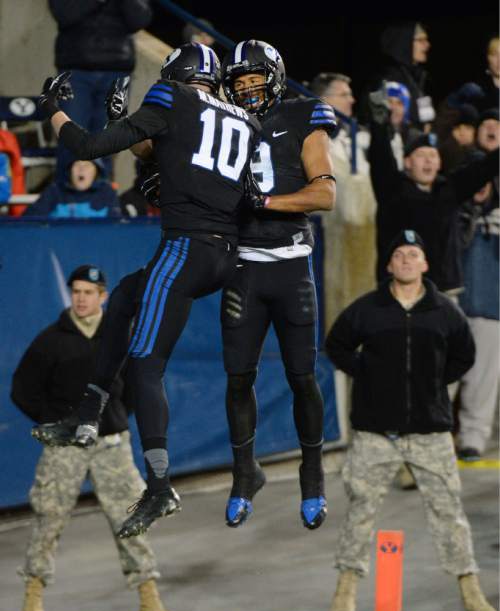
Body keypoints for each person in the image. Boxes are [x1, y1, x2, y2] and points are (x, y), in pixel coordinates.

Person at [32, 43, 261, 538]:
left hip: (185, 250)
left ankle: (159, 485)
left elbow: (90, 148)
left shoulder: (171, 97)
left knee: (145, 366)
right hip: (227, 254)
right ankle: (88, 413)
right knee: (126, 299)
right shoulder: (245, 120)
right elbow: (202, 166)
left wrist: (53, 110)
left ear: (175, 74)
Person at [324, 230, 497, 611]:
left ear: (425, 264)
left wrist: (436, 381)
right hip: (375, 432)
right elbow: (336, 345)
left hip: (430, 432)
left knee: (450, 513)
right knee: (360, 511)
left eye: (413, 254)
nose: (406, 260)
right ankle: (345, 593)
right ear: (389, 265)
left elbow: (465, 355)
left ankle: (471, 592)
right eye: (399, 255)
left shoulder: (444, 311)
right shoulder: (366, 309)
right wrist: (364, 372)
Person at [219, 40, 336, 529]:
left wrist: (262, 202)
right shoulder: (219, 121)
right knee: (238, 377)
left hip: (290, 264)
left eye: (254, 81)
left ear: (275, 79)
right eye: (239, 83)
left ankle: (313, 475)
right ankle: (245, 474)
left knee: (301, 377)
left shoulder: (305, 116)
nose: (246, 91)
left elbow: (324, 194)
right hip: (242, 266)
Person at [11, 265, 169, 611]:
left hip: (111, 442)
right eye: (76, 291)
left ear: (103, 296)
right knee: (49, 516)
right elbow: (23, 391)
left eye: (89, 292)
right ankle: (33, 596)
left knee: (131, 516)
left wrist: (112, 417)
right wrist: (56, 424)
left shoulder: (120, 338)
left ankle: (149, 596)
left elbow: (134, 387)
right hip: (64, 447)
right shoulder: (50, 340)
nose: (81, 298)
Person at [367, 88, 500, 296]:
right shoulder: (392, 190)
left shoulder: (448, 189)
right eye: (421, 155)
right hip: (399, 293)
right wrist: (379, 124)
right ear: (407, 162)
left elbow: (486, 167)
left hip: (444, 293)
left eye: (433, 156)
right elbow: (381, 160)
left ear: (439, 163)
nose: (429, 160)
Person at [49, 0, 153, 181]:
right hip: (73, 71)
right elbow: (63, 15)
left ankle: (102, 203)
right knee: (69, 139)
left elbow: (140, 19)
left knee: (109, 142)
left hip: (117, 70)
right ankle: (64, 203)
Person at [456, 179, 499, 461]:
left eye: (485, 181)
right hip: (453, 305)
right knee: (441, 377)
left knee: (482, 379)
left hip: (491, 306)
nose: (479, 186)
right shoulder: (453, 214)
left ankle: (473, 437)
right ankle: (431, 435)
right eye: (475, 180)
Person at [24, 158, 122, 218]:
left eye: (87, 165)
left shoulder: (106, 193)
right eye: (77, 164)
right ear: (70, 171)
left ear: (96, 172)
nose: (81, 169)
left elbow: (116, 227)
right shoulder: (55, 192)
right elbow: (29, 222)